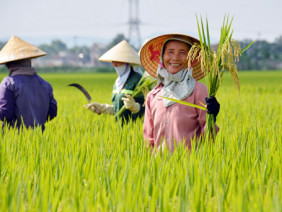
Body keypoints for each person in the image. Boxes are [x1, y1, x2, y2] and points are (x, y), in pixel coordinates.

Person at [139, 33, 220, 152]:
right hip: (158, 168)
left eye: (183, 53)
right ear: (162, 56)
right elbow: (148, 140)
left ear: (191, 58)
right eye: (170, 52)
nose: (175, 58)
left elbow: (208, 137)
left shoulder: (198, 90)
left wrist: (212, 117)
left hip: (189, 167)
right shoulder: (153, 95)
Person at [0, 36, 57, 131]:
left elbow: (6, 114)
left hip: (13, 141)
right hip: (40, 139)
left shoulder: (9, 83)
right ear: (29, 62)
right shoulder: (45, 85)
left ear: (8, 64)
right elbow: (52, 112)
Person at [84, 40, 145, 123]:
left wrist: (136, 107)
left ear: (127, 62)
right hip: (120, 129)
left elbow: (148, 108)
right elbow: (118, 108)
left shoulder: (137, 79)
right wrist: (103, 108)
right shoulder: (118, 82)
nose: (114, 65)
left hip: (134, 128)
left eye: (118, 61)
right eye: (113, 61)